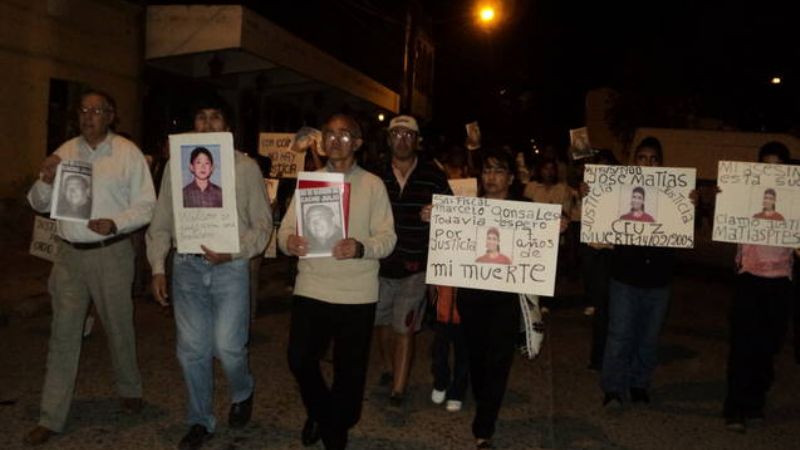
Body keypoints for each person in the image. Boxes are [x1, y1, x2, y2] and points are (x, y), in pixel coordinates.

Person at [24, 90, 156, 445]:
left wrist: (116, 223)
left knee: (118, 326)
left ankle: (130, 389)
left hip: (109, 252)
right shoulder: (64, 152)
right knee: (63, 335)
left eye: (96, 110)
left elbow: (146, 205)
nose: (88, 116)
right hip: (68, 256)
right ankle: (51, 416)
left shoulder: (127, 154)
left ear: (111, 116)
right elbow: (36, 202)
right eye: (83, 110)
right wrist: (45, 178)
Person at [147, 98, 271, 449]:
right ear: (193, 126)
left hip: (230, 268)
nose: (208, 123)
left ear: (227, 126)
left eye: (215, 117)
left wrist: (233, 251)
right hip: (186, 268)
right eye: (201, 117)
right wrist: (158, 267)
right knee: (191, 351)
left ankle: (243, 389)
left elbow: (262, 226)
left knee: (229, 347)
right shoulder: (176, 167)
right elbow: (161, 221)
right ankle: (200, 419)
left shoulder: (244, 167)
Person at [278, 113, 396, 449]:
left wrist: (361, 247)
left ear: (358, 143)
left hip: (356, 293)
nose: (335, 140)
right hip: (313, 286)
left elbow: (388, 239)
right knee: (299, 358)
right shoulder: (310, 181)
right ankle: (325, 413)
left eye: (345, 134)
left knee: (350, 371)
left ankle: (334, 432)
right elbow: (285, 230)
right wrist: (290, 242)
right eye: (329, 134)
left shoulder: (372, 185)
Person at [600, 136, 693, 408]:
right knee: (619, 335)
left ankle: (639, 383)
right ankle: (613, 389)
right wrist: (590, 193)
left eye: (654, 159)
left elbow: (685, 224)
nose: (648, 164)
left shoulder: (672, 197)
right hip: (625, 277)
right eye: (642, 158)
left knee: (648, 338)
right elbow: (599, 218)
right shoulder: (619, 194)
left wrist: (691, 203)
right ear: (634, 162)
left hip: (659, 279)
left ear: (661, 163)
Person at [375, 115, 452, 405]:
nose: (403, 139)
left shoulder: (434, 175)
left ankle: (399, 388)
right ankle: (387, 367)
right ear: (388, 138)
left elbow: (454, 215)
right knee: (381, 324)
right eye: (397, 134)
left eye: (409, 134)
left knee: (404, 327)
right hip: (378, 266)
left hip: (414, 267)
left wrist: (438, 214)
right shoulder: (375, 173)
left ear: (417, 140)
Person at [723, 141, 797, 432]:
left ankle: (755, 402)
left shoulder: (793, 205)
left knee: (768, 347)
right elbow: (726, 220)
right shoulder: (745, 201)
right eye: (766, 166)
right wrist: (725, 197)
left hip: (780, 282)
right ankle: (735, 408)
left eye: (778, 167)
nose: (772, 172)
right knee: (743, 345)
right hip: (749, 279)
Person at [459, 148, 524, 449]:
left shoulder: (525, 208)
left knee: (498, 359)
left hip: (506, 299)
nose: (491, 177)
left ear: (510, 178)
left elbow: (544, 238)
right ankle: (484, 402)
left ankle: (484, 426)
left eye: (498, 170)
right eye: (487, 170)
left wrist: (558, 225)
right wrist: (434, 217)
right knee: (476, 357)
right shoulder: (468, 207)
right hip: (472, 295)